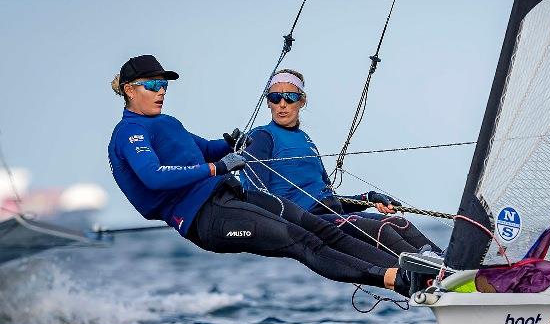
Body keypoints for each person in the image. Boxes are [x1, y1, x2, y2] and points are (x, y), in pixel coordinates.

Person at [108, 55, 411, 296]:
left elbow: (205, 148)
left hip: (227, 196)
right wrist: (217, 167)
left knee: (320, 227)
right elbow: (155, 177)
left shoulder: (167, 123)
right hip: (204, 218)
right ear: (130, 90)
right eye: (152, 85)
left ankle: (413, 271)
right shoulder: (129, 133)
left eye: (164, 84)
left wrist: (231, 144)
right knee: (301, 242)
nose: (161, 90)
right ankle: (395, 280)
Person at [239, 68, 442, 257]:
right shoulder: (261, 137)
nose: (282, 104)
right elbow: (255, 195)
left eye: (290, 97)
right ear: (268, 102)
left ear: (302, 101)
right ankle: (437, 273)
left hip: (330, 214)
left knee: (399, 222)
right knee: (382, 230)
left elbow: (327, 199)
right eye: (275, 97)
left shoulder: (305, 140)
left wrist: (368, 197)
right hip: (306, 222)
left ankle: (452, 266)